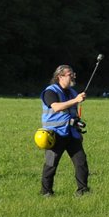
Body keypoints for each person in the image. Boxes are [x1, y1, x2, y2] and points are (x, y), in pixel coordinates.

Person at [40, 64, 90, 197]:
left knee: (81, 162)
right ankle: (46, 191)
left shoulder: (73, 92)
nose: (73, 76)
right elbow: (56, 107)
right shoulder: (50, 91)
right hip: (55, 134)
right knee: (51, 164)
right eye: (70, 74)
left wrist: (78, 129)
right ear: (59, 76)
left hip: (72, 133)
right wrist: (76, 100)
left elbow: (73, 113)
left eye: (73, 73)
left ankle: (82, 191)